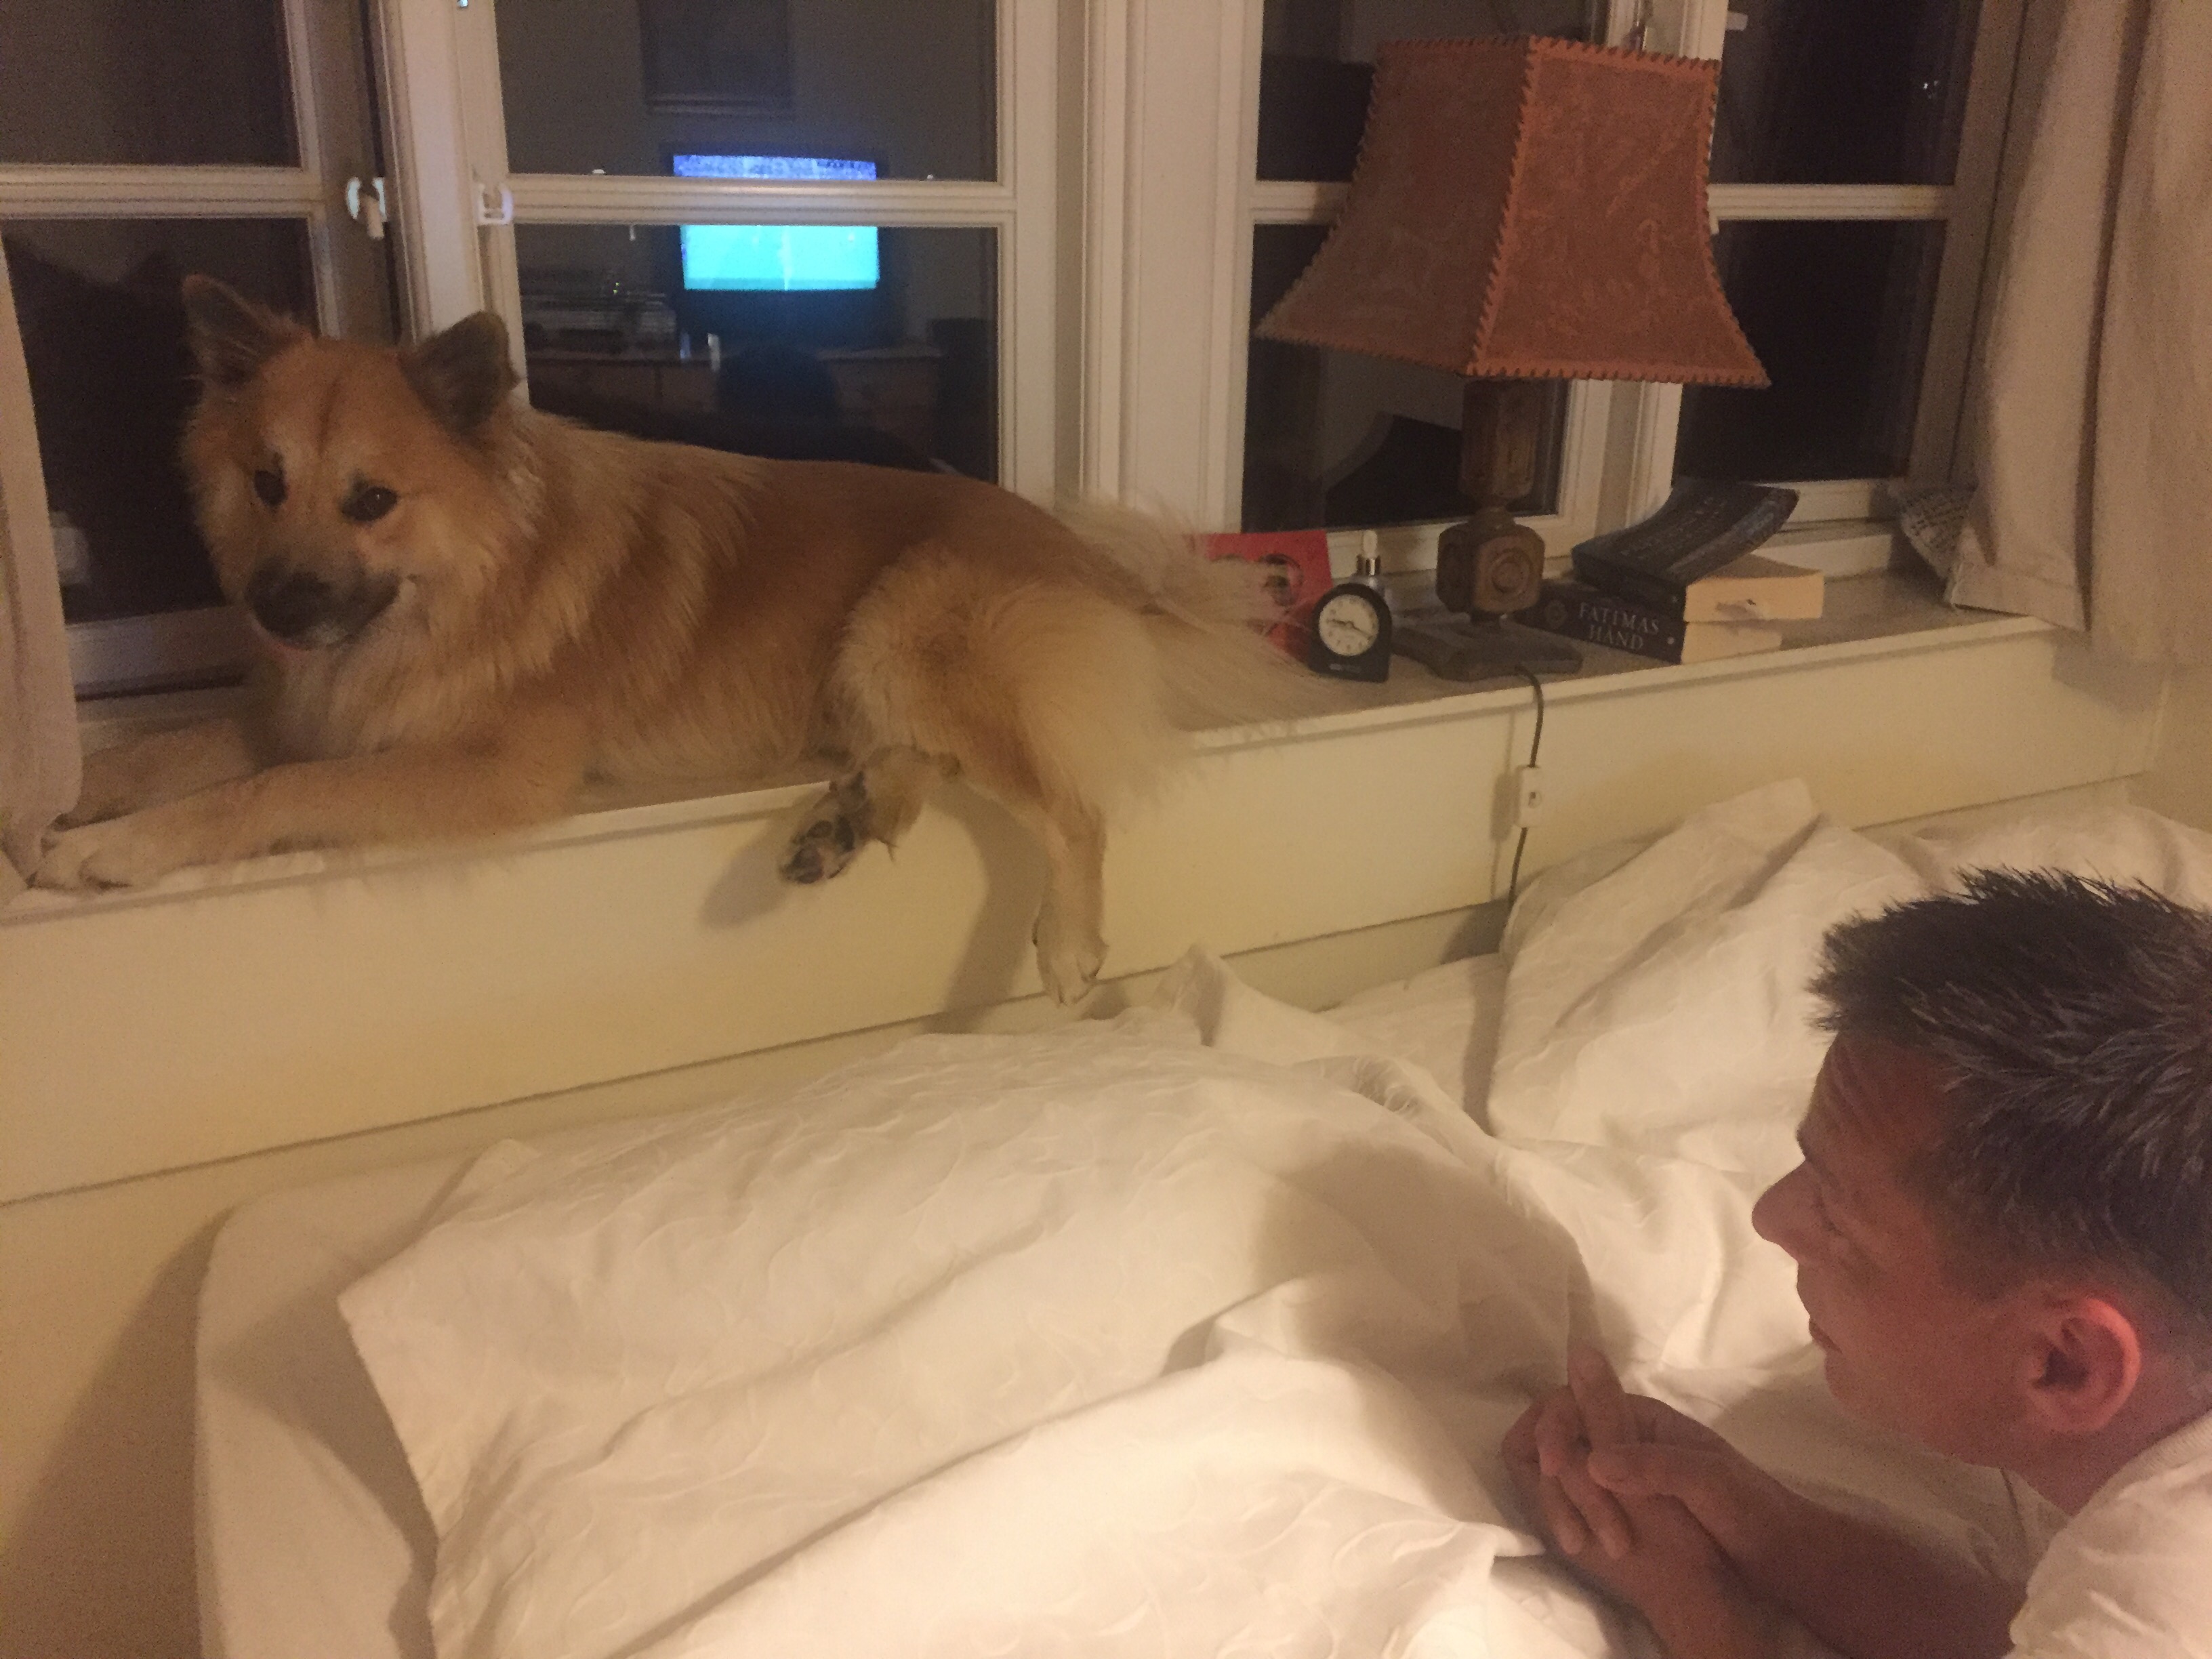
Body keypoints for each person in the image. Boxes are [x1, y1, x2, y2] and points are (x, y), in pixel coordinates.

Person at [1502, 869, 2212, 1659]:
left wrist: (1690, 1601)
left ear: (2064, 1365)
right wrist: (1761, 1524)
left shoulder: (2158, 1603)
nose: (1772, 1218)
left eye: (1838, 1220)